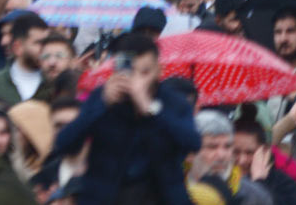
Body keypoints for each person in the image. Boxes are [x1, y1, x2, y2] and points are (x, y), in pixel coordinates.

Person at [50, 32, 202, 205]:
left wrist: (150, 109)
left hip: (160, 195)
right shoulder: (102, 98)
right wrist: (101, 105)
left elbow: (192, 143)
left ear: (159, 71)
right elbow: (65, 144)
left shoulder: (173, 103)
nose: (136, 79)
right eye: (130, 70)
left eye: (144, 72)